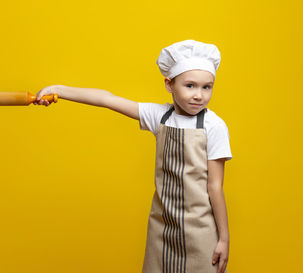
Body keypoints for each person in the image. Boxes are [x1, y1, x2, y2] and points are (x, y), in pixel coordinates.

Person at [34, 39, 231, 273]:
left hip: (201, 230)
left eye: (206, 87)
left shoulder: (214, 126)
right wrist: (59, 90)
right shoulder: (158, 116)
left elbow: (215, 186)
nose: (199, 95)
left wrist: (223, 238)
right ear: (169, 84)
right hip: (163, 226)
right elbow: (107, 99)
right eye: (190, 86)